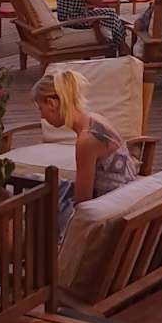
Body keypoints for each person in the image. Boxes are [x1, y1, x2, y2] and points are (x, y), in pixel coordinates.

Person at [32, 68, 138, 230]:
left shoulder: (86, 140)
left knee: (41, 204)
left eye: (41, 109)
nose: (42, 116)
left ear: (52, 103)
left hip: (111, 209)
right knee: (45, 184)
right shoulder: (95, 119)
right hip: (125, 195)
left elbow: (82, 202)